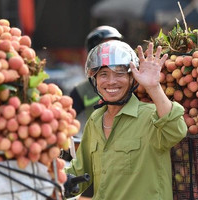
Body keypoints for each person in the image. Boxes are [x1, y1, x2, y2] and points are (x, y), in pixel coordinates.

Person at [64, 40, 188, 199]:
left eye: (119, 73)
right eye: (103, 74)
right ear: (95, 81)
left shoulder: (151, 116)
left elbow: (176, 130)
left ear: (132, 79)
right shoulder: (95, 120)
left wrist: (153, 87)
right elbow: (80, 173)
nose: (111, 81)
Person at [66, 26, 123, 200]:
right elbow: (66, 119)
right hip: (96, 152)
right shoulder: (82, 90)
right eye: (105, 49)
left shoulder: (130, 81)